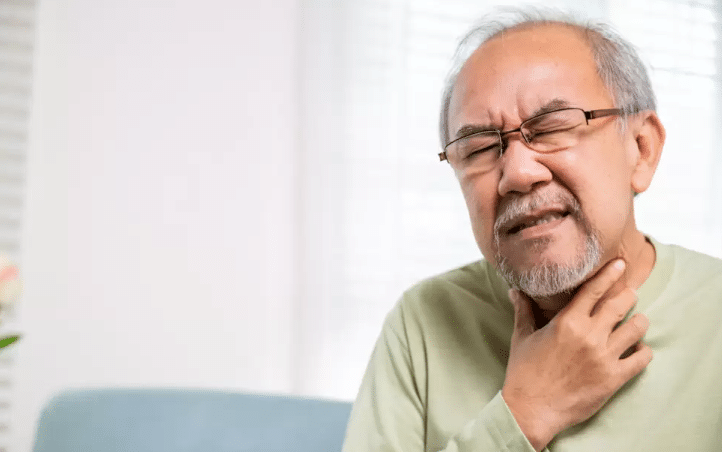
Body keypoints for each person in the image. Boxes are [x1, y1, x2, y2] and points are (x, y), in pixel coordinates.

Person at [342, 7, 722, 452]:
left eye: (551, 127)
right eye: (479, 148)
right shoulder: (424, 321)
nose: (518, 173)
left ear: (641, 149)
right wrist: (526, 414)